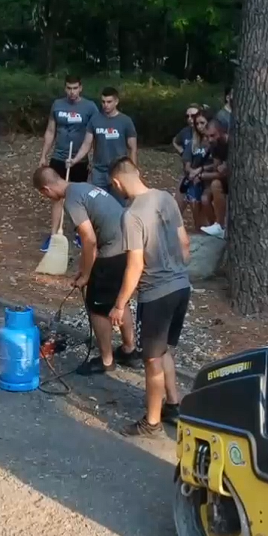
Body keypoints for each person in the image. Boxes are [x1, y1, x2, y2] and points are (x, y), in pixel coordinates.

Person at [108, 157, 191, 437]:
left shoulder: (130, 215)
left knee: (152, 360)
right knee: (165, 349)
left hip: (157, 294)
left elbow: (135, 265)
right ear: (138, 172)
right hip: (182, 287)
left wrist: (120, 305)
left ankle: (152, 422)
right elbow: (184, 243)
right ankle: (173, 404)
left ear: (117, 182)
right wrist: (178, 270)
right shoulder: (165, 198)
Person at [31, 166, 139, 374]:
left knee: (97, 307)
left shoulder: (72, 199)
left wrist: (87, 276)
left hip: (113, 250)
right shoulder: (84, 187)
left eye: (45, 195)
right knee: (119, 299)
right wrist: (84, 269)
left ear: (46, 190)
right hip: (129, 245)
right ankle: (129, 350)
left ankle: (107, 361)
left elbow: (89, 240)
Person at [38, 75, 98, 252]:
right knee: (57, 197)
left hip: (79, 159)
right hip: (59, 157)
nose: (72, 92)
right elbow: (50, 131)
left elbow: (93, 136)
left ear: (81, 88)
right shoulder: (57, 105)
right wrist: (43, 155)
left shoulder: (90, 107)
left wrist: (93, 158)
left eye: (75, 88)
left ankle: (80, 232)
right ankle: (55, 234)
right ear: (65, 89)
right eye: (69, 88)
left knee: (77, 197)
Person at [70, 87, 137, 202]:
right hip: (99, 172)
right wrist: (74, 160)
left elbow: (133, 148)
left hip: (118, 171)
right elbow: (86, 144)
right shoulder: (95, 120)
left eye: (109, 102)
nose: (106, 105)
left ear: (116, 102)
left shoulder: (126, 121)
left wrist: (133, 170)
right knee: (97, 205)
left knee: (118, 206)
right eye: (103, 102)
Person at [177, 110, 211, 230]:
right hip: (192, 178)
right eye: (197, 124)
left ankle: (205, 227)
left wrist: (199, 172)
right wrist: (192, 172)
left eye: (202, 123)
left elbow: (215, 164)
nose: (199, 126)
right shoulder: (193, 142)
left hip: (208, 178)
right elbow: (187, 162)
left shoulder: (213, 142)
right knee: (189, 198)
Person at [199, 118, 230, 238]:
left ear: (222, 132)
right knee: (212, 189)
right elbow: (218, 169)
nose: (210, 139)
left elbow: (224, 172)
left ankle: (220, 225)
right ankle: (218, 226)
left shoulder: (232, 143)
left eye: (213, 135)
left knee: (215, 184)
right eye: (208, 136)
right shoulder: (215, 145)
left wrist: (202, 175)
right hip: (224, 180)